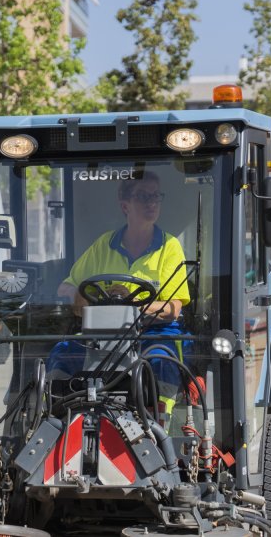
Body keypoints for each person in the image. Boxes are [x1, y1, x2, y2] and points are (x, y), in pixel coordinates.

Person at [49, 172, 192, 419]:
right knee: (63, 352)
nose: (151, 203)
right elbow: (66, 287)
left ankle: (159, 422)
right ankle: (58, 415)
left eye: (156, 196)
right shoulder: (104, 245)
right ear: (125, 205)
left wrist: (135, 302)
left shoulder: (169, 247)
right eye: (143, 196)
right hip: (102, 333)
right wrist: (84, 298)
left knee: (163, 358)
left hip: (153, 332)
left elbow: (174, 308)